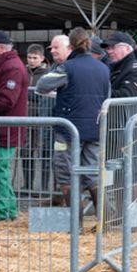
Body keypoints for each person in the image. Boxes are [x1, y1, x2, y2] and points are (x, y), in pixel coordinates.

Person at [33, 28, 109, 217]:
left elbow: (42, 85)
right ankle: (105, 222)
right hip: (95, 127)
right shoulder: (103, 67)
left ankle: (76, 224)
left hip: (69, 130)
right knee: (93, 173)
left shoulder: (68, 67)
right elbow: (107, 96)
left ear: (71, 45)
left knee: (66, 173)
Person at [0, 31, 30, 222]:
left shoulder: (12, 67)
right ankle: (8, 209)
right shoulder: (8, 65)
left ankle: (1, 211)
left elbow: (6, 100)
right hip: (3, 127)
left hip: (4, 128)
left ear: (1, 47)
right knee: (0, 170)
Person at [103, 31, 137, 99]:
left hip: (130, 109)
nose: (109, 51)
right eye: (108, 48)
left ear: (127, 48)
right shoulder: (116, 67)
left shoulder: (134, 70)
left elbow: (127, 96)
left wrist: (101, 93)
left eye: (114, 47)